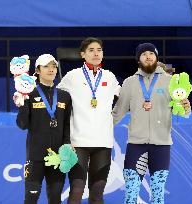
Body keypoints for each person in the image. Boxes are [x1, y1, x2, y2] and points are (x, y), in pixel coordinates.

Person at [112, 43, 191, 204]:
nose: (148, 56)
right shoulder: (129, 82)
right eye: (144, 54)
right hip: (136, 145)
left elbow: (182, 111)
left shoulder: (170, 81)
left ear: (156, 57)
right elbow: (117, 112)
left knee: (157, 194)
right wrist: (97, 129)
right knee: (131, 194)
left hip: (161, 144)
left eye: (151, 53)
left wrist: (186, 107)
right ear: (138, 59)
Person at [57, 37, 120, 204]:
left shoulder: (110, 77)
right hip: (78, 142)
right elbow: (56, 100)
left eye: (99, 50)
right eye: (91, 50)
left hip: (103, 142)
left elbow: (128, 98)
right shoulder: (72, 76)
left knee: (97, 193)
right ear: (83, 54)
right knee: (76, 190)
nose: (96, 53)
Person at [14, 54, 72, 204]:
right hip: (35, 157)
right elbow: (22, 125)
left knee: (55, 198)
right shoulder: (29, 94)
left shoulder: (64, 96)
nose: (51, 69)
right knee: (31, 198)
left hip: (57, 158)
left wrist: (65, 147)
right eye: (46, 66)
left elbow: (67, 124)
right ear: (38, 71)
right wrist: (22, 106)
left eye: (54, 66)